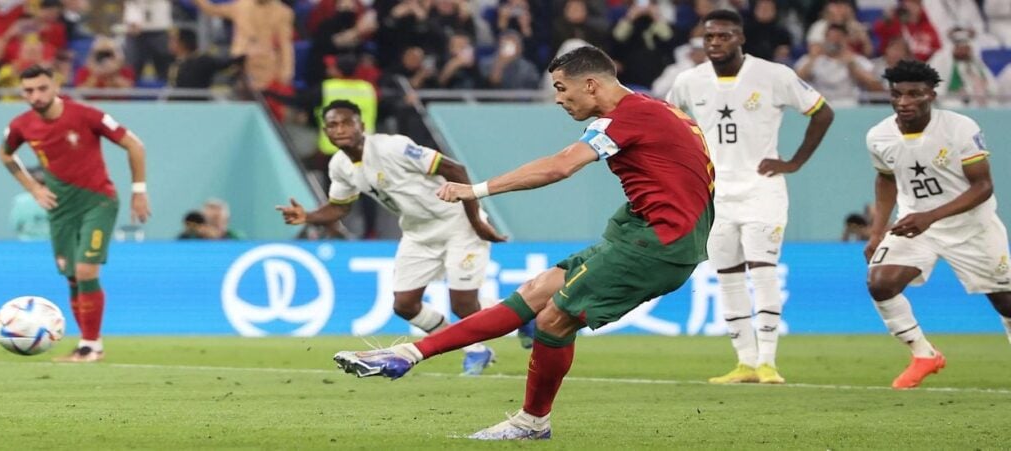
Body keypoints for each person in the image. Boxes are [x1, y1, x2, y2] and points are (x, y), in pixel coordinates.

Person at [333, 46, 715, 439]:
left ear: (590, 84)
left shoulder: (628, 116)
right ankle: (407, 353)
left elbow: (560, 166)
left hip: (657, 241)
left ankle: (531, 422)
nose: (558, 99)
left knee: (553, 320)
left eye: (562, 88)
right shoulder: (655, 110)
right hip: (643, 231)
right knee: (536, 292)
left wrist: (475, 190)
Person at [275, 100, 512, 375]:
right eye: (332, 125)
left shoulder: (392, 147)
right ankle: (477, 349)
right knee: (405, 305)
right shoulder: (339, 165)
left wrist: (476, 221)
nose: (340, 129)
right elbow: (339, 207)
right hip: (418, 233)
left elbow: (455, 169)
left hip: (459, 223)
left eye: (347, 122)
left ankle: (516, 319)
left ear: (362, 125)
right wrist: (308, 216)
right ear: (325, 131)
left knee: (464, 305)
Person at [669, 9, 835, 385]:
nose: (715, 43)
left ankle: (768, 362)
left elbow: (823, 113)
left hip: (762, 189)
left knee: (762, 271)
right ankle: (744, 362)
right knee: (727, 275)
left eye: (724, 36)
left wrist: (794, 162)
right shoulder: (689, 81)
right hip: (716, 194)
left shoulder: (774, 75)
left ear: (740, 38)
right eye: (709, 37)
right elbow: (668, 123)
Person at [864, 59, 1011, 389]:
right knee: (880, 283)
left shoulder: (960, 128)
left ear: (931, 94)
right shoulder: (878, 136)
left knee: (1006, 303)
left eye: (914, 94)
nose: (904, 102)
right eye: (897, 94)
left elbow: (983, 186)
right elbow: (885, 179)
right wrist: (876, 231)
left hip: (972, 227)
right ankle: (923, 355)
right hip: (914, 225)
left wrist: (929, 216)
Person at [0, 64, 151, 362]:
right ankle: (89, 345)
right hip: (60, 209)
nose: (36, 96)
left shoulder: (86, 115)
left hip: (98, 202)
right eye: (29, 91)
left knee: (85, 271)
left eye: (42, 88)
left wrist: (139, 190)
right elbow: (5, 154)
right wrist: (34, 188)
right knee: (71, 276)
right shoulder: (21, 125)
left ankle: (90, 346)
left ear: (55, 86)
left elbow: (134, 145)